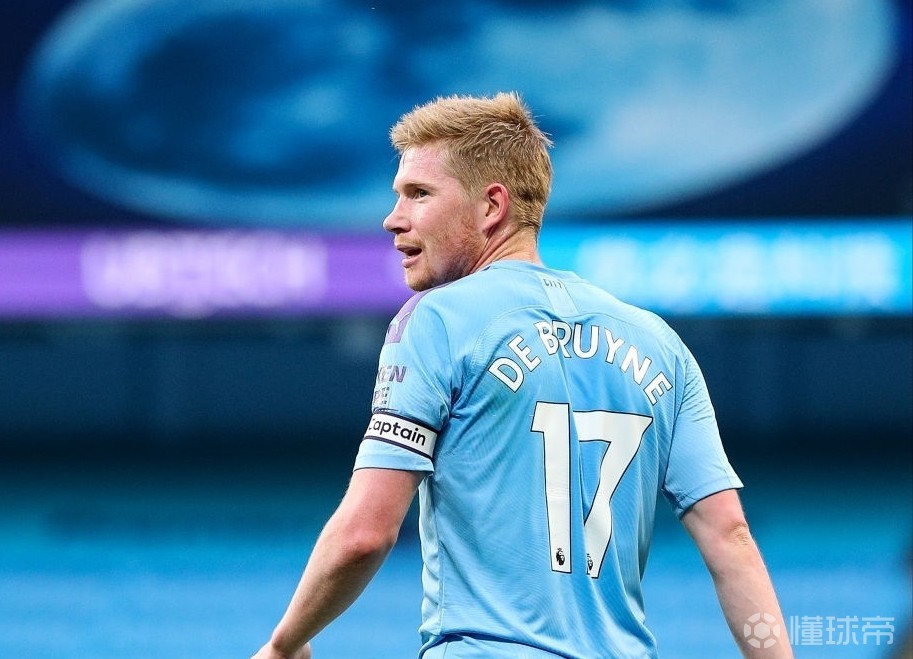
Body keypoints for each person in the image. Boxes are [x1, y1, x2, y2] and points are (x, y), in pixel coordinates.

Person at [251, 92, 792, 659]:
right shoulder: (659, 342)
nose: (393, 218)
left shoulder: (437, 319)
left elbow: (366, 534)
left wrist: (285, 644)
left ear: (492, 206)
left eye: (419, 194)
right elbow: (731, 538)